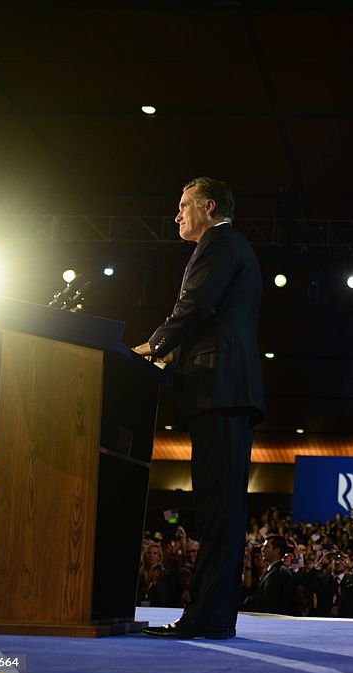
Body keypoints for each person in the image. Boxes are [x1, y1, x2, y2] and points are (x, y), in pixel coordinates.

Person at [134, 177, 265, 640]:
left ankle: (207, 617)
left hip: (221, 391)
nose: (177, 215)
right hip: (220, 392)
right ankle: (212, 618)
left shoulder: (220, 243)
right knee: (218, 512)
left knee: (218, 513)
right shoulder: (225, 245)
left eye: (183, 205)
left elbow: (194, 307)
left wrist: (154, 346)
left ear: (208, 207)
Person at [241, 535, 297, 615]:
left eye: (266, 547)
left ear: (277, 550)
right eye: (262, 547)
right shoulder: (275, 570)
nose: (262, 550)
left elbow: (267, 603)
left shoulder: (277, 573)